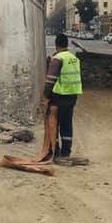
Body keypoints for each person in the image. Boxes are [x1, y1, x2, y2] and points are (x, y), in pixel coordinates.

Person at [42, 32, 83, 164]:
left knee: (54, 123)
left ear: (56, 45)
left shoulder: (57, 58)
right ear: (66, 44)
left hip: (59, 96)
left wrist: (45, 95)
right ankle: (66, 152)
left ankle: (56, 152)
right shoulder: (74, 58)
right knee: (67, 123)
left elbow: (51, 80)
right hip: (72, 96)